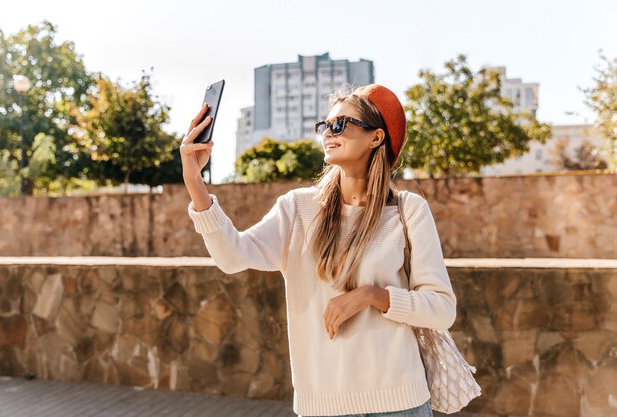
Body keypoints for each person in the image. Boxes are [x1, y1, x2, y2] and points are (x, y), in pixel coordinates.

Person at [180, 83, 456, 417]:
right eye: (325, 125)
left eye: (341, 124)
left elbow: (442, 309)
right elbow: (232, 256)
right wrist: (195, 179)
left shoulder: (407, 210)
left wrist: (371, 295)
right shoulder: (298, 208)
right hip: (324, 405)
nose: (328, 132)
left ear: (376, 138)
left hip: (401, 403)